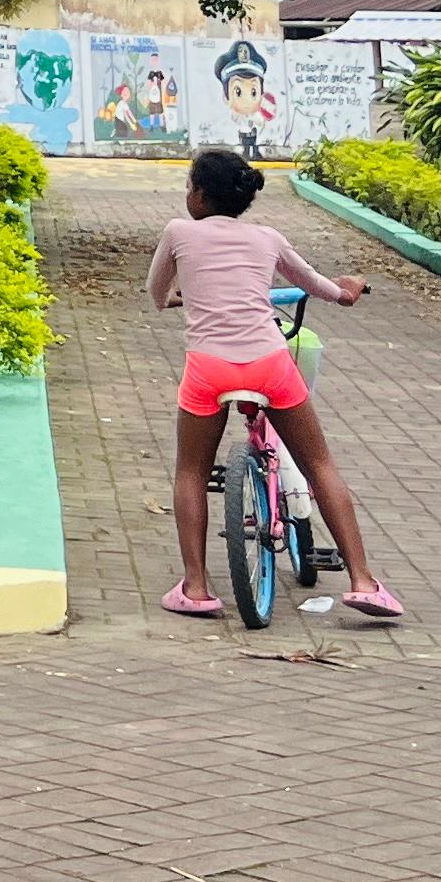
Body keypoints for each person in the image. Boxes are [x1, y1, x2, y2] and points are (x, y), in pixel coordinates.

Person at [149, 150, 403, 624]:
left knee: (191, 472)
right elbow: (322, 287)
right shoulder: (267, 238)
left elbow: (156, 292)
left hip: (208, 370)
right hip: (270, 365)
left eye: (189, 186)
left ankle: (196, 587)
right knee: (319, 465)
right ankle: (364, 582)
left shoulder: (178, 233)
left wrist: (178, 298)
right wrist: (348, 290)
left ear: (199, 195)